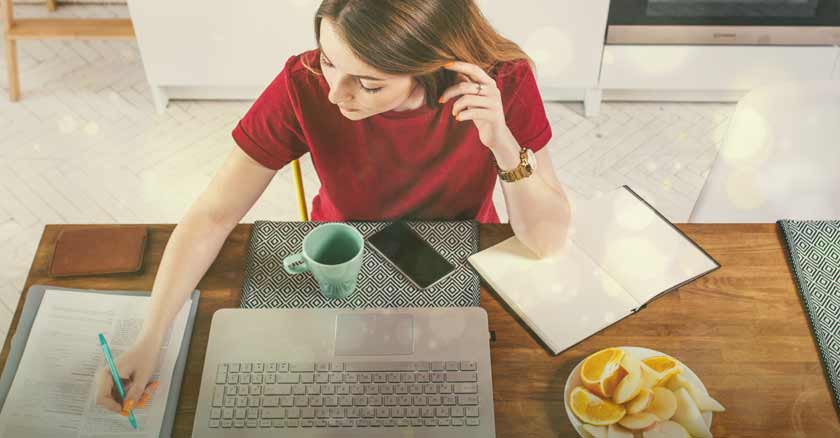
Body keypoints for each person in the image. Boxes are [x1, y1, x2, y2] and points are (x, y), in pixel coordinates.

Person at [95, 0, 571, 416]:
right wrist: (151, 337)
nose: (334, 93)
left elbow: (547, 240)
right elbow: (214, 214)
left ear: (431, 65)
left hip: (460, 261)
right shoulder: (301, 84)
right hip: (345, 261)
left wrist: (504, 146)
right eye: (328, 61)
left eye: (368, 83)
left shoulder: (503, 83)